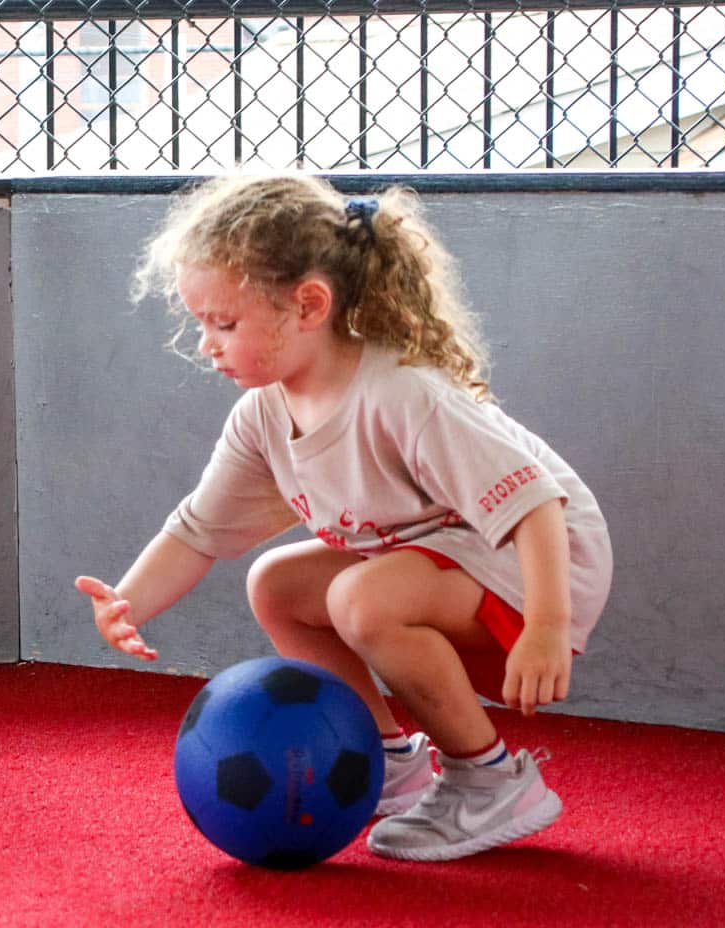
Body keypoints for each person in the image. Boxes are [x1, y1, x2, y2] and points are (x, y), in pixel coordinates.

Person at [76, 173, 611, 861]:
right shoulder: (265, 415)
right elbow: (197, 530)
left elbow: (535, 502)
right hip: (450, 556)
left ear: (308, 305)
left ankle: (490, 780)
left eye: (224, 323)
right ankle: (392, 761)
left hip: (543, 560)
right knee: (277, 584)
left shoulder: (401, 393)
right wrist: (127, 601)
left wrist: (547, 625)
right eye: (199, 322)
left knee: (359, 596)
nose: (206, 344)